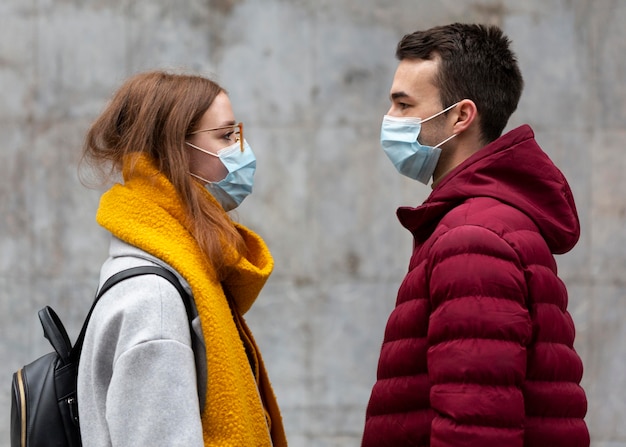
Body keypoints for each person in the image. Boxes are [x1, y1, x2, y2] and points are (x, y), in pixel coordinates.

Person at [362, 23, 589, 447]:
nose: (389, 120)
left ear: (461, 116)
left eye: (404, 104)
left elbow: (476, 430)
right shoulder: (483, 223)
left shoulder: (472, 239)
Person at [77, 70, 288, 447]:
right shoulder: (154, 303)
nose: (242, 150)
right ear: (175, 150)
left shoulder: (176, 273)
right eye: (226, 136)